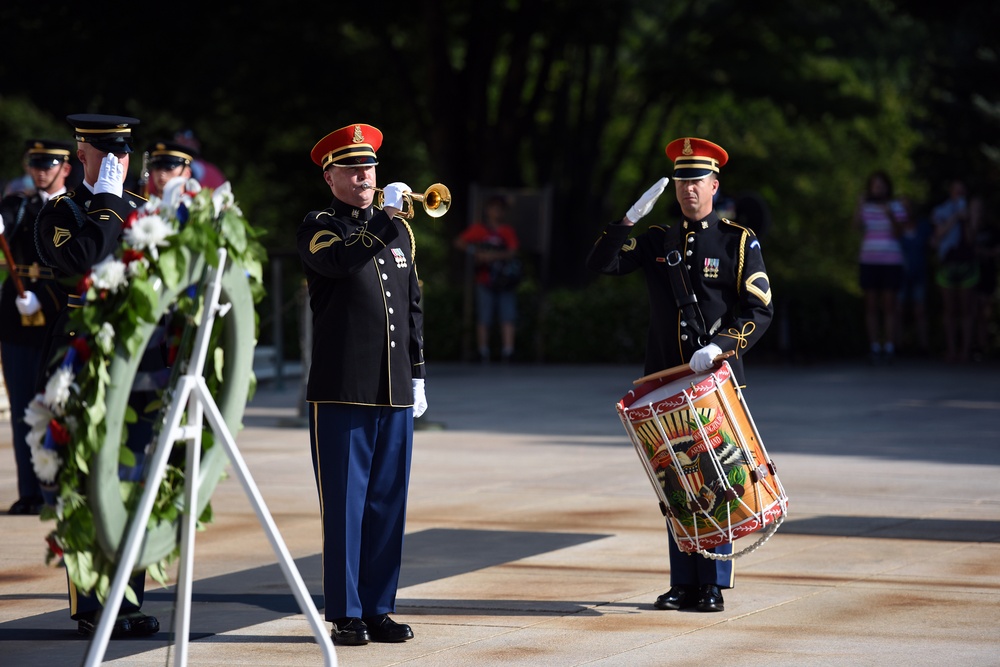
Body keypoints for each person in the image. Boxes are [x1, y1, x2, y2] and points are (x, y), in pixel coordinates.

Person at [586, 137, 773, 613]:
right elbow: (601, 265)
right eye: (682, 182)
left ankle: (711, 581)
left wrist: (721, 346)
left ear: (714, 184)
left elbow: (760, 309)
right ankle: (684, 581)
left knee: (716, 477)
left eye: (697, 181)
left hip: (714, 380)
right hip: (666, 377)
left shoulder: (736, 240)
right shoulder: (656, 241)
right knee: (676, 479)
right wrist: (625, 222)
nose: (689, 190)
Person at [296, 123, 427, 646]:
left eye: (368, 167)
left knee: (387, 502)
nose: (364, 177)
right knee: (347, 505)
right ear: (330, 178)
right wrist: (384, 223)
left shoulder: (399, 231)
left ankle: (378, 606)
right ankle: (346, 611)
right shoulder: (318, 225)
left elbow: (412, 306)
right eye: (351, 170)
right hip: (342, 387)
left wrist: (418, 374)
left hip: (392, 386)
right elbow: (339, 263)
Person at [33, 114, 160, 638]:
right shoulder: (62, 212)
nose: (116, 164)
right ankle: (90, 604)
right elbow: (83, 261)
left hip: (142, 367)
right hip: (80, 364)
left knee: (134, 484)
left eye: (122, 156)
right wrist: (106, 203)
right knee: (85, 484)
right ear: (80, 155)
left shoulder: (147, 212)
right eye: (105, 155)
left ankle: (127, 601)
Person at [0, 139, 72, 515]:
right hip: (17, 321)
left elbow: (75, 265)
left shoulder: (74, 208)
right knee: (23, 406)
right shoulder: (20, 204)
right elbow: (5, 221)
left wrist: (42, 298)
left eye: (49, 164)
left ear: (65, 168)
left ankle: (60, 488)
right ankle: (30, 491)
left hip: (58, 318)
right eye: (36, 164)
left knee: (59, 405)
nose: (41, 171)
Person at [454, 194, 521, 363]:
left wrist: (494, 256)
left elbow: (513, 251)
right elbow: (459, 242)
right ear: (487, 210)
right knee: (484, 316)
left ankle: (508, 351)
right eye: (494, 208)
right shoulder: (479, 229)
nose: (496, 212)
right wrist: (475, 252)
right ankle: (483, 351)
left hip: (505, 281)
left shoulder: (507, 231)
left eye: (500, 209)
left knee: (508, 315)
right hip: (484, 279)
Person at [853, 171, 907, 364]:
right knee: (871, 304)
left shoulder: (896, 206)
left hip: (891, 260)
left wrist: (890, 214)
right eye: (875, 184)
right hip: (869, 259)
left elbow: (901, 232)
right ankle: (874, 345)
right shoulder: (866, 207)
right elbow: (856, 227)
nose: (878, 188)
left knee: (890, 304)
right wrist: (859, 207)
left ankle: (890, 345)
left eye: (881, 184)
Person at [931, 178, 978, 363]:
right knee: (949, 309)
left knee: (967, 308)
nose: (959, 195)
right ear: (950, 192)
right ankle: (951, 349)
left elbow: (972, 239)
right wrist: (955, 217)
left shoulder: (971, 211)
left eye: (962, 191)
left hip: (967, 263)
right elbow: (938, 235)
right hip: (947, 263)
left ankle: (966, 350)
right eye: (955, 191)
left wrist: (966, 220)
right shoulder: (941, 211)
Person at [896, 206, 933, 356]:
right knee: (898, 310)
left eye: (908, 206)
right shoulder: (896, 228)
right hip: (900, 275)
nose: (906, 210)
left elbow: (933, 243)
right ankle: (896, 346)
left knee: (920, 310)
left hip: (919, 274)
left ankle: (923, 347)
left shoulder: (923, 227)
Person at [970, 192, 1000, 359]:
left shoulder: (992, 229)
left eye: (979, 208)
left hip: (987, 272)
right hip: (969, 274)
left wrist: (985, 252)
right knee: (971, 311)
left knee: (985, 311)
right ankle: (971, 347)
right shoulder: (967, 227)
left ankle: (983, 346)